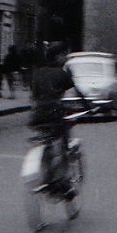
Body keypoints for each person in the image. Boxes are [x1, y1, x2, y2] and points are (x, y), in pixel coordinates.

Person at [29, 43, 88, 196]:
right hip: (55, 113)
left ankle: (47, 177)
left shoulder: (37, 73)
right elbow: (77, 91)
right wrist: (87, 105)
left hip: (37, 116)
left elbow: (35, 96)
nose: (65, 58)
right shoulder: (62, 73)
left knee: (47, 141)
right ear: (57, 56)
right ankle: (62, 182)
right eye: (64, 55)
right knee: (64, 143)